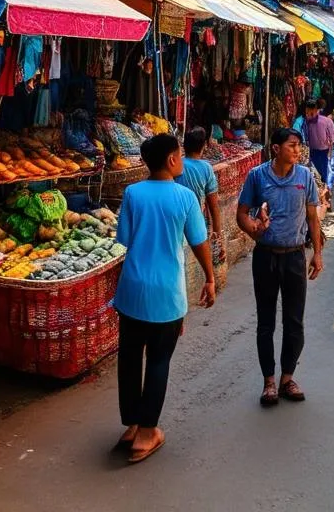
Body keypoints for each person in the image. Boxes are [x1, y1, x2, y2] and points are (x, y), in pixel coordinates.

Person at [113, 133, 216, 463]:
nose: (183, 160)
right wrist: (210, 278)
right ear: (172, 160)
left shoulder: (132, 193)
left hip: (131, 290)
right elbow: (199, 242)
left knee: (129, 359)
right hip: (166, 295)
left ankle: (132, 424)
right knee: (158, 360)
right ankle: (146, 433)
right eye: (180, 155)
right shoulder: (185, 197)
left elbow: (124, 239)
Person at [237, 128, 324, 406]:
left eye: (299, 146)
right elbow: (242, 213)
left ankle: (288, 378)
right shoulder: (257, 176)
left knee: (294, 321)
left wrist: (317, 254)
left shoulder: (305, 177)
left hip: (295, 256)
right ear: (276, 149)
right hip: (265, 256)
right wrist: (254, 230)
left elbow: (313, 218)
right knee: (266, 322)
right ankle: (269, 382)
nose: (298, 151)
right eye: (292, 146)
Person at [176, 127, 225, 263]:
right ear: (204, 146)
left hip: (175, 222)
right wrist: (218, 235)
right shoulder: (206, 168)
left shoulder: (177, 164)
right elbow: (213, 205)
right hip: (195, 223)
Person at [303, 98, 334, 199]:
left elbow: (333, 138)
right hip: (312, 152)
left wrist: (330, 153)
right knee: (316, 176)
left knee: (326, 175)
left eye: (311, 112)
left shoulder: (326, 121)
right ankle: (321, 196)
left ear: (317, 110)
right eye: (307, 112)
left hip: (324, 152)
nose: (309, 114)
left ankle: (327, 195)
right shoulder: (305, 122)